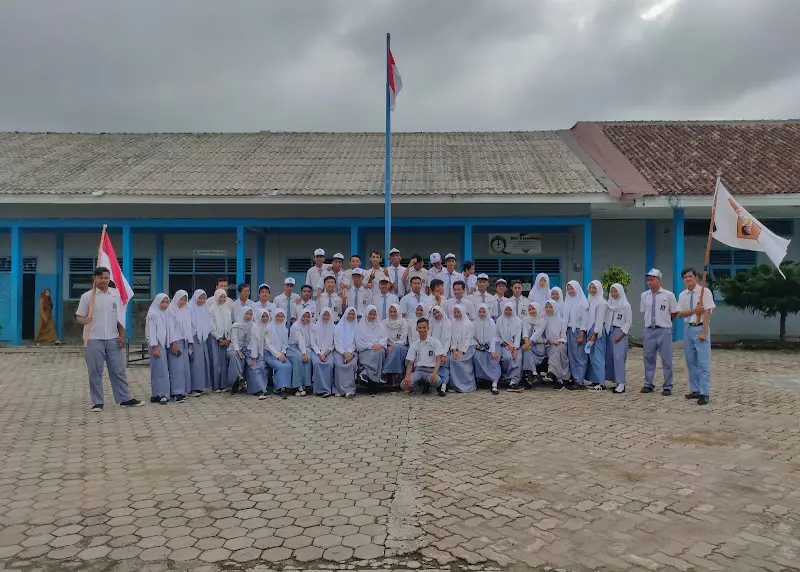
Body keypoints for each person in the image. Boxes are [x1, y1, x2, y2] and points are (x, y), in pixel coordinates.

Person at [75, 268, 142, 410]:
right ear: (95, 278)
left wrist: (122, 336)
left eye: (106, 278)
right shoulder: (87, 297)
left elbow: (120, 319)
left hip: (112, 338)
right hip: (93, 339)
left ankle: (125, 398)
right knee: (95, 371)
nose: (104, 280)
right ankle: (97, 402)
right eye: (100, 278)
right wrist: (84, 320)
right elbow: (79, 317)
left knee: (118, 370)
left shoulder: (115, 295)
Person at [677, 268, 715, 405]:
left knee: (703, 363)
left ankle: (705, 393)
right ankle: (695, 389)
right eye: (685, 277)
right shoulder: (683, 295)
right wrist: (693, 311)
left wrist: (704, 332)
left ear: (696, 277)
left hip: (700, 328)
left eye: (690, 276)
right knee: (691, 361)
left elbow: (708, 312)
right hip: (688, 329)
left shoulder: (704, 291)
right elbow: (679, 314)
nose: (688, 279)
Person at [640, 268, 678, 396]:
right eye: (648, 280)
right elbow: (644, 311)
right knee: (648, 358)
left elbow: (674, 313)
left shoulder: (668, 295)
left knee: (666, 359)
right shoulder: (644, 295)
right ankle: (648, 383)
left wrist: (665, 322)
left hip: (664, 330)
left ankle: (667, 385)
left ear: (659, 280)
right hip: (649, 330)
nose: (649, 282)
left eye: (652, 279)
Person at [401, 318, 446, 396]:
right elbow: (410, 363)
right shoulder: (414, 345)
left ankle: (430, 386)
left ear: (428, 328)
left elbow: (438, 361)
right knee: (404, 385)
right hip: (418, 371)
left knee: (437, 381)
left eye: (424, 327)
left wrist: (434, 373)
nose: (422, 330)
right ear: (416, 328)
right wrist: (407, 376)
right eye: (420, 328)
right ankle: (422, 388)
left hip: (431, 370)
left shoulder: (435, 342)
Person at [166, 290, 193, 402]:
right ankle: (175, 392)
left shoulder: (186, 310)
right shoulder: (171, 310)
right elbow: (170, 328)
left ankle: (182, 390)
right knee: (175, 368)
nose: (182, 302)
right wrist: (174, 342)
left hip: (184, 342)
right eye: (181, 299)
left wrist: (190, 342)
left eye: (185, 300)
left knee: (183, 368)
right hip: (175, 342)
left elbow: (188, 327)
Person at [606, 283, 632, 394]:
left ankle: (621, 384)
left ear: (620, 292)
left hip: (620, 332)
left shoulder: (625, 305)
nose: (614, 294)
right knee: (611, 358)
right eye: (612, 291)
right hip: (610, 331)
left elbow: (629, 321)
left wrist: (621, 335)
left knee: (619, 358)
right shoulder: (609, 304)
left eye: (616, 291)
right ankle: (616, 381)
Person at [146, 293, 171, 404]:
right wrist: (155, 347)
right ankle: (161, 395)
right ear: (157, 302)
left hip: (163, 344)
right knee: (159, 370)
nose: (165, 304)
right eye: (162, 302)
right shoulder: (153, 314)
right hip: (155, 345)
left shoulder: (165, 313)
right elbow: (151, 332)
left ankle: (158, 393)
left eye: (167, 302)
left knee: (160, 370)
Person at [564, 280, 589, 390]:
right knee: (572, 356)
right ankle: (575, 378)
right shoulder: (568, 302)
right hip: (569, 331)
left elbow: (584, 320)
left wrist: (581, 334)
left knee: (580, 356)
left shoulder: (582, 303)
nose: (570, 291)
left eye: (572, 288)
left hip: (579, 331)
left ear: (577, 289)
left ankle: (580, 380)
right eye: (568, 289)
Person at [355, 306, 387, 393]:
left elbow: (384, 338)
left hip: (378, 349)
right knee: (376, 355)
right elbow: (359, 343)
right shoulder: (360, 326)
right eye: (370, 314)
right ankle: (374, 383)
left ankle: (366, 374)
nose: (372, 316)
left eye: (374, 314)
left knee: (379, 352)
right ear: (366, 314)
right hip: (365, 350)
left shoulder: (380, 325)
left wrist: (380, 345)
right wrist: (371, 346)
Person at [473, 303, 501, 394]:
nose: (482, 314)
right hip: (480, 346)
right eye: (480, 312)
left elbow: (492, 338)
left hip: (493, 345)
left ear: (487, 312)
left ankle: (494, 383)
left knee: (493, 359)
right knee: (476, 357)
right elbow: (472, 336)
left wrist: (492, 351)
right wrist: (476, 343)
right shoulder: (474, 322)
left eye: (483, 312)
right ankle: (482, 380)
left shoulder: (491, 322)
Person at [584, 280, 608, 389]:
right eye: (590, 288)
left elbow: (600, 319)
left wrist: (595, 333)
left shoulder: (601, 302)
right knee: (592, 356)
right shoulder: (590, 300)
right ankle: (595, 380)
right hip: (590, 329)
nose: (592, 290)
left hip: (596, 331)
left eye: (594, 288)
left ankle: (601, 382)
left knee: (598, 356)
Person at [207, 289, 232, 392]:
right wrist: (218, 337)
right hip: (215, 339)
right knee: (216, 362)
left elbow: (230, 325)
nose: (222, 299)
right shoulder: (211, 309)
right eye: (220, 297)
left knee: (224, 362)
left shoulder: (227, 310)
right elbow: (211, 326)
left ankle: (224, 385)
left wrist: (228, 338)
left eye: (224, 297)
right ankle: (216, 385)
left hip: (225, 339)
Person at [265, 308, 293, 397]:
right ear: (274, 316)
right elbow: (268, 344)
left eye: (282, 316)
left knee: (288, 365)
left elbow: (285, 344)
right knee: (280, 366)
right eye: (278, 316)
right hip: (269, 353)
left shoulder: (284, 329)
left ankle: (285, 387)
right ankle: (278, 388)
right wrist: (277, 355)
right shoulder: (268, 327)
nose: (280, 318)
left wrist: (283, 353)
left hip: (281, 354)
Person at [188, 289, 212, 395]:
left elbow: (208, 323)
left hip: (203, 339)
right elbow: (189, 325)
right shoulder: (189, 308)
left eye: (203, 298)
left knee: (202, 363)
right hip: (193, 338)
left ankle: (202, 386)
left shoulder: (205, 308)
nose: (202, 300)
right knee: (195, 363)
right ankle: (194, 387)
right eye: (200, 298)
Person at [448, 305, 476, 393]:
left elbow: (467, 339)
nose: (456, 314)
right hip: (457, 349)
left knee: (460, 361)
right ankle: (455, 385)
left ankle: (467, 385)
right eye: (455, 312)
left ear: (463, 312)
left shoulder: (469, 324)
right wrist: (454, 350)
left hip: (468, 348)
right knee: (452, 359)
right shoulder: (453, 323)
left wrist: (461, 352)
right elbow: (452, 338)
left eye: (458, 312)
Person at [543, 300, 570, 390]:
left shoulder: (560, 320)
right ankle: (559, 379)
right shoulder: (543, 320)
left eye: (550, 307)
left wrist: (559, 340)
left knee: (558, 349)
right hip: (547, 345)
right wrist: (549, 341)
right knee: (556, 350)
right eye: (546, 307)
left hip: (560, 343)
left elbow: (564, 335)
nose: (548, 309)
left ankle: (553, 374)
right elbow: (541, 336)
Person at [497, 301, 523, 391]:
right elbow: (497, 336)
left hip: (516, 346)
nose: (508, 312)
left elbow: (518, 335)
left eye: (510, 310)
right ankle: (506, 378)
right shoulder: (499, 320)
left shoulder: (517, 320)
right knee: (507, 358)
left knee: (518, 358)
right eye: (506, 310)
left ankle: (514, 381)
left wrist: (515, 348)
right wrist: (506, 345)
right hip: (503, 345)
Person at [287, 308, 313, 396]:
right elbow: (300, 339)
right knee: (298, 358)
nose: (306, 318)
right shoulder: (296, 326)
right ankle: (296, 386)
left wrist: (306, 352)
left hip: (304, 348)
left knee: (309, 357)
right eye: (304, 316)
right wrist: (304, 353)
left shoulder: (311, 326)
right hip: (293, 348)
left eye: (308, 317)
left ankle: (306, 385)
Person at [333, 307, 359, 398]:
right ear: (345, 314)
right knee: (339, 364)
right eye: (349, 314)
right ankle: (339, 389)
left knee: (351, 365)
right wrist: (344, 353)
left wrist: (350, 353)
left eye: (353, 314)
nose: (351, 316)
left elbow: (356, 343)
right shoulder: (338, 327)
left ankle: (349, 390)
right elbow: (336, 344)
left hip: (352, 353)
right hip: (339, 352)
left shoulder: (357, 327)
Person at [382, 303, 409, 387]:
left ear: (398, 312)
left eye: (394, 311)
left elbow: (404, 340)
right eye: (390, 312)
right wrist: (386, 346)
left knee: (396, 350)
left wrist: (394, 345)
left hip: (401, 346)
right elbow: (382, 336)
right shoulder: (384, 322)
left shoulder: (404, 323)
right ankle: (391, 377)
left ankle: (387, 374)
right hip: (386, 346)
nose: (392, 314)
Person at [311, 307, 336, 397]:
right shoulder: (315, 326)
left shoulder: (334, 327)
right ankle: (319, 390)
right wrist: (319, 353)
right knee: (318, 364)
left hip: (329, 352)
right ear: (321, 315)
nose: (326, 317)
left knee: (329, 364)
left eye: (328, 315)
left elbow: (334, 343)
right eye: (324, 315)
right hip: (316, 352)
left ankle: (327, 389)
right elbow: (313, 343)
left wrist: (328, 351)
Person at [228, 307, 253, 394]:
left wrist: (245, 351)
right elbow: (234, 340)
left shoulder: (252, 325)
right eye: (247, 314)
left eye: (250, 314)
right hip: (233, 348)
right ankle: (240, 377)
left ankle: (238, 381)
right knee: (234, 355)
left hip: (246, 350)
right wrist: (238, 351)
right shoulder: (236, 325)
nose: (248, 316)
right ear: (242, 313)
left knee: (241, 358)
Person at [245, 308, 269, 399]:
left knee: (262, 366)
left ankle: (263, 389)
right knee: (254, 367)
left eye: (266, 316)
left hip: (262, 353)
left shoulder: (269, 326)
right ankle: (256, 390)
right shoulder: (255, 327)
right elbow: (254, 344)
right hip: (251, 352)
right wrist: (254, 358)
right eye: (262, 316)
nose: (265, 318)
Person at [521, 302, 546, 386]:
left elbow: (537, 334)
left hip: (538, 346)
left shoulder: (542, 320)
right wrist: (527, 344)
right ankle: (532, 374)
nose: (531, 311)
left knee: (526, 350)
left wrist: (527, 344)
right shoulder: (525, 319)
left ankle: (531, 375)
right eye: (530, 309)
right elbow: (525, 332)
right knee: (526, 351)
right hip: (528, 344)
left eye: (533, 309)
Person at [429, 306, 452, 392]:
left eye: (438, 312)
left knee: (444, 363)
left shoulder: (448, 323)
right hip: (433, 350)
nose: (436, 315)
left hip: (444, 351)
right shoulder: (431, 323)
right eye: (434, 313)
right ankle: (435, 384)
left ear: (442, 311)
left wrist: (443, 353)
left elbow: (448, 340)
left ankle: (444, 385)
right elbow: (430, 337)